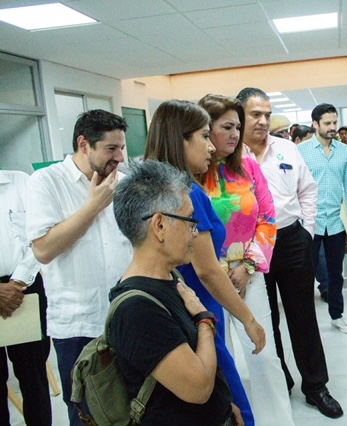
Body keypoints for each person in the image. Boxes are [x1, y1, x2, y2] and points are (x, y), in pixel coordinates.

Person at [144, 99, 267, 426]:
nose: (211, 147)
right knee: (233, 407)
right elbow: (208, 270)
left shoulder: (151, 186)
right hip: (199, 310)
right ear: (179, 140)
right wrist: (249, 320)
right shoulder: (187, 194)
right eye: (203, 137)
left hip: (174, 306)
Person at [237, 87, 344, 419]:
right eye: (256, 114)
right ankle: (279, 377)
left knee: (303, 316)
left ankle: (316, 387)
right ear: (239, 115)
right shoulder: (230, 156)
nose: (263, 121)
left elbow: (308, 190)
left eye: (267, 114)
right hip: (253, 249)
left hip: (292, 239)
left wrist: (307, 232)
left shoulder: (286, 148)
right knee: (266, 318)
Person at [26, 109, 133, 426]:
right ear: (84, 144)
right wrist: (93, 206)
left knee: (134, 408)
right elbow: (43, 249)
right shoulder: (47, 182)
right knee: (87, 415)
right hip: (77, 326)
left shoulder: (124, 183)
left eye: (122, 148)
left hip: (125, 317)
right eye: (111, 149)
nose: (120, 158)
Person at [110, 160, 237, 425]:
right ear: (159, 226)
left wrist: (225, 406)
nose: (196, 231)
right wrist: (204, 319)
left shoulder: (170, 275)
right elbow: (198, 388)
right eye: (190, 220)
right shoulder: (137, 310)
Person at [198, 94, 294, 425]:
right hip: (201, 279)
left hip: (246, 274)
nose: (236, 134)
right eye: (227, 127)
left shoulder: (247, 166)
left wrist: (248, 266)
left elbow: (268, 218)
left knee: (264, 356)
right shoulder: (191, 172)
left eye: (238, 126)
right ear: (204, 128)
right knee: (216, 360)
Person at [298, 104, 347, 334]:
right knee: (305, 274)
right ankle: (305, 321)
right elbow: (295, 187)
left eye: (335, 122)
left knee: (336, 273)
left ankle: (338, 315)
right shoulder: (302, 151)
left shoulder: (344, 152)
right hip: (308, 224)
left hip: (335, 222)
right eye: (327, 123)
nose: (333, 127)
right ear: (315, 124)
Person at [1, 168, 51, 426]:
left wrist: (17, 281)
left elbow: (41, 235)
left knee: (34, 376)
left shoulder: (21, 182)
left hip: (25, 288)